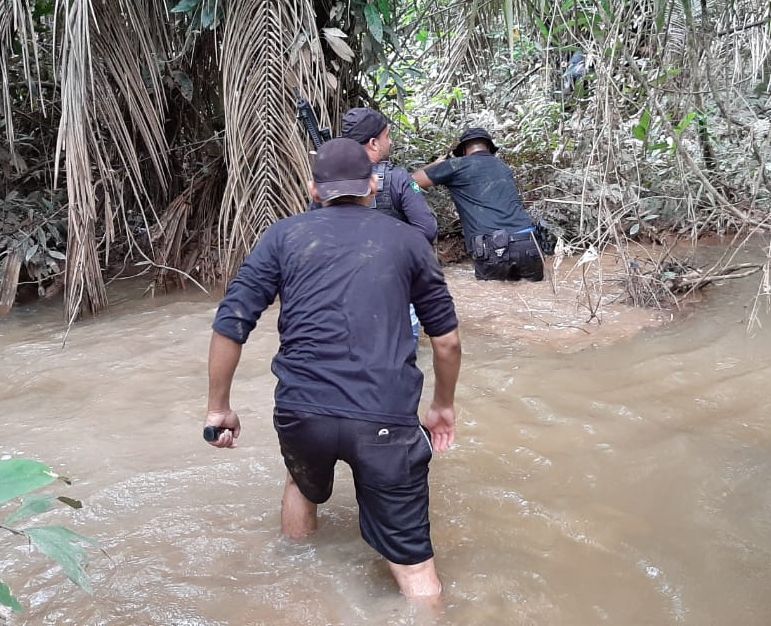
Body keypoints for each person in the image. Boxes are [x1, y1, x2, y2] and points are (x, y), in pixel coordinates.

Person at [204, 137, 462, 600]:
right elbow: (446, 340)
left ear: (313, 189)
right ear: (374, 185)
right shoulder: (408, 241)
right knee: (415, 568)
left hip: (303, 414)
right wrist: (442, 406)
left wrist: (218, 407)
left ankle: (297, 592)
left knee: (300, 483)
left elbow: (231, 323)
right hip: (384, 418)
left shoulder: (282, 237)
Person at [337, 107, 438, 339]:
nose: (390, 142)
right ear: (373, 143)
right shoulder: (398, 178)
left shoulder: (330, 181)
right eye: (387, 136)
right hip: (394, 287)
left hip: (344, 290)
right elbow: (427, 228)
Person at [412, 128, 544, 282]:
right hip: (529, 243)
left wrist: (434, 166)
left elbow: (410, 183)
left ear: (463, 150)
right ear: (488, 147)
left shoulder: (454, 165)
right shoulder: (503, 167)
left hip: (492, 249)